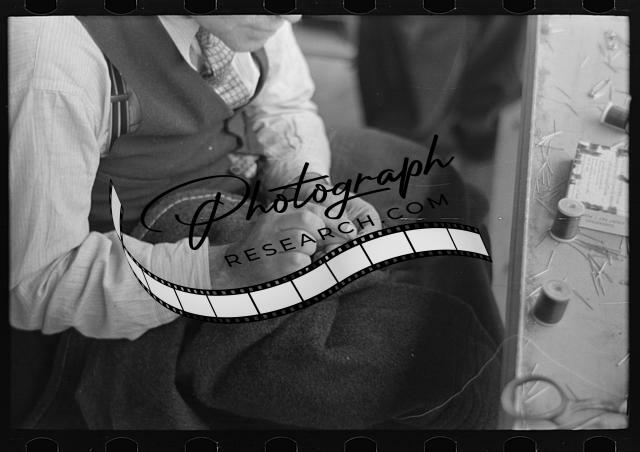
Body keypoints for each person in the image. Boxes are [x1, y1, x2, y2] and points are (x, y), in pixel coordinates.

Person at [10, 15, 503, 429]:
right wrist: (226, 269)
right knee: (447, 361)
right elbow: (38, 282)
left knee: (435, 187)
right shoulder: (51, 55)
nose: (294, 16)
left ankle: (479, 347)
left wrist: (306, 187)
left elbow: (284, 103)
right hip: (153, 250)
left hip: (234, 173)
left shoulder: (247, 18)